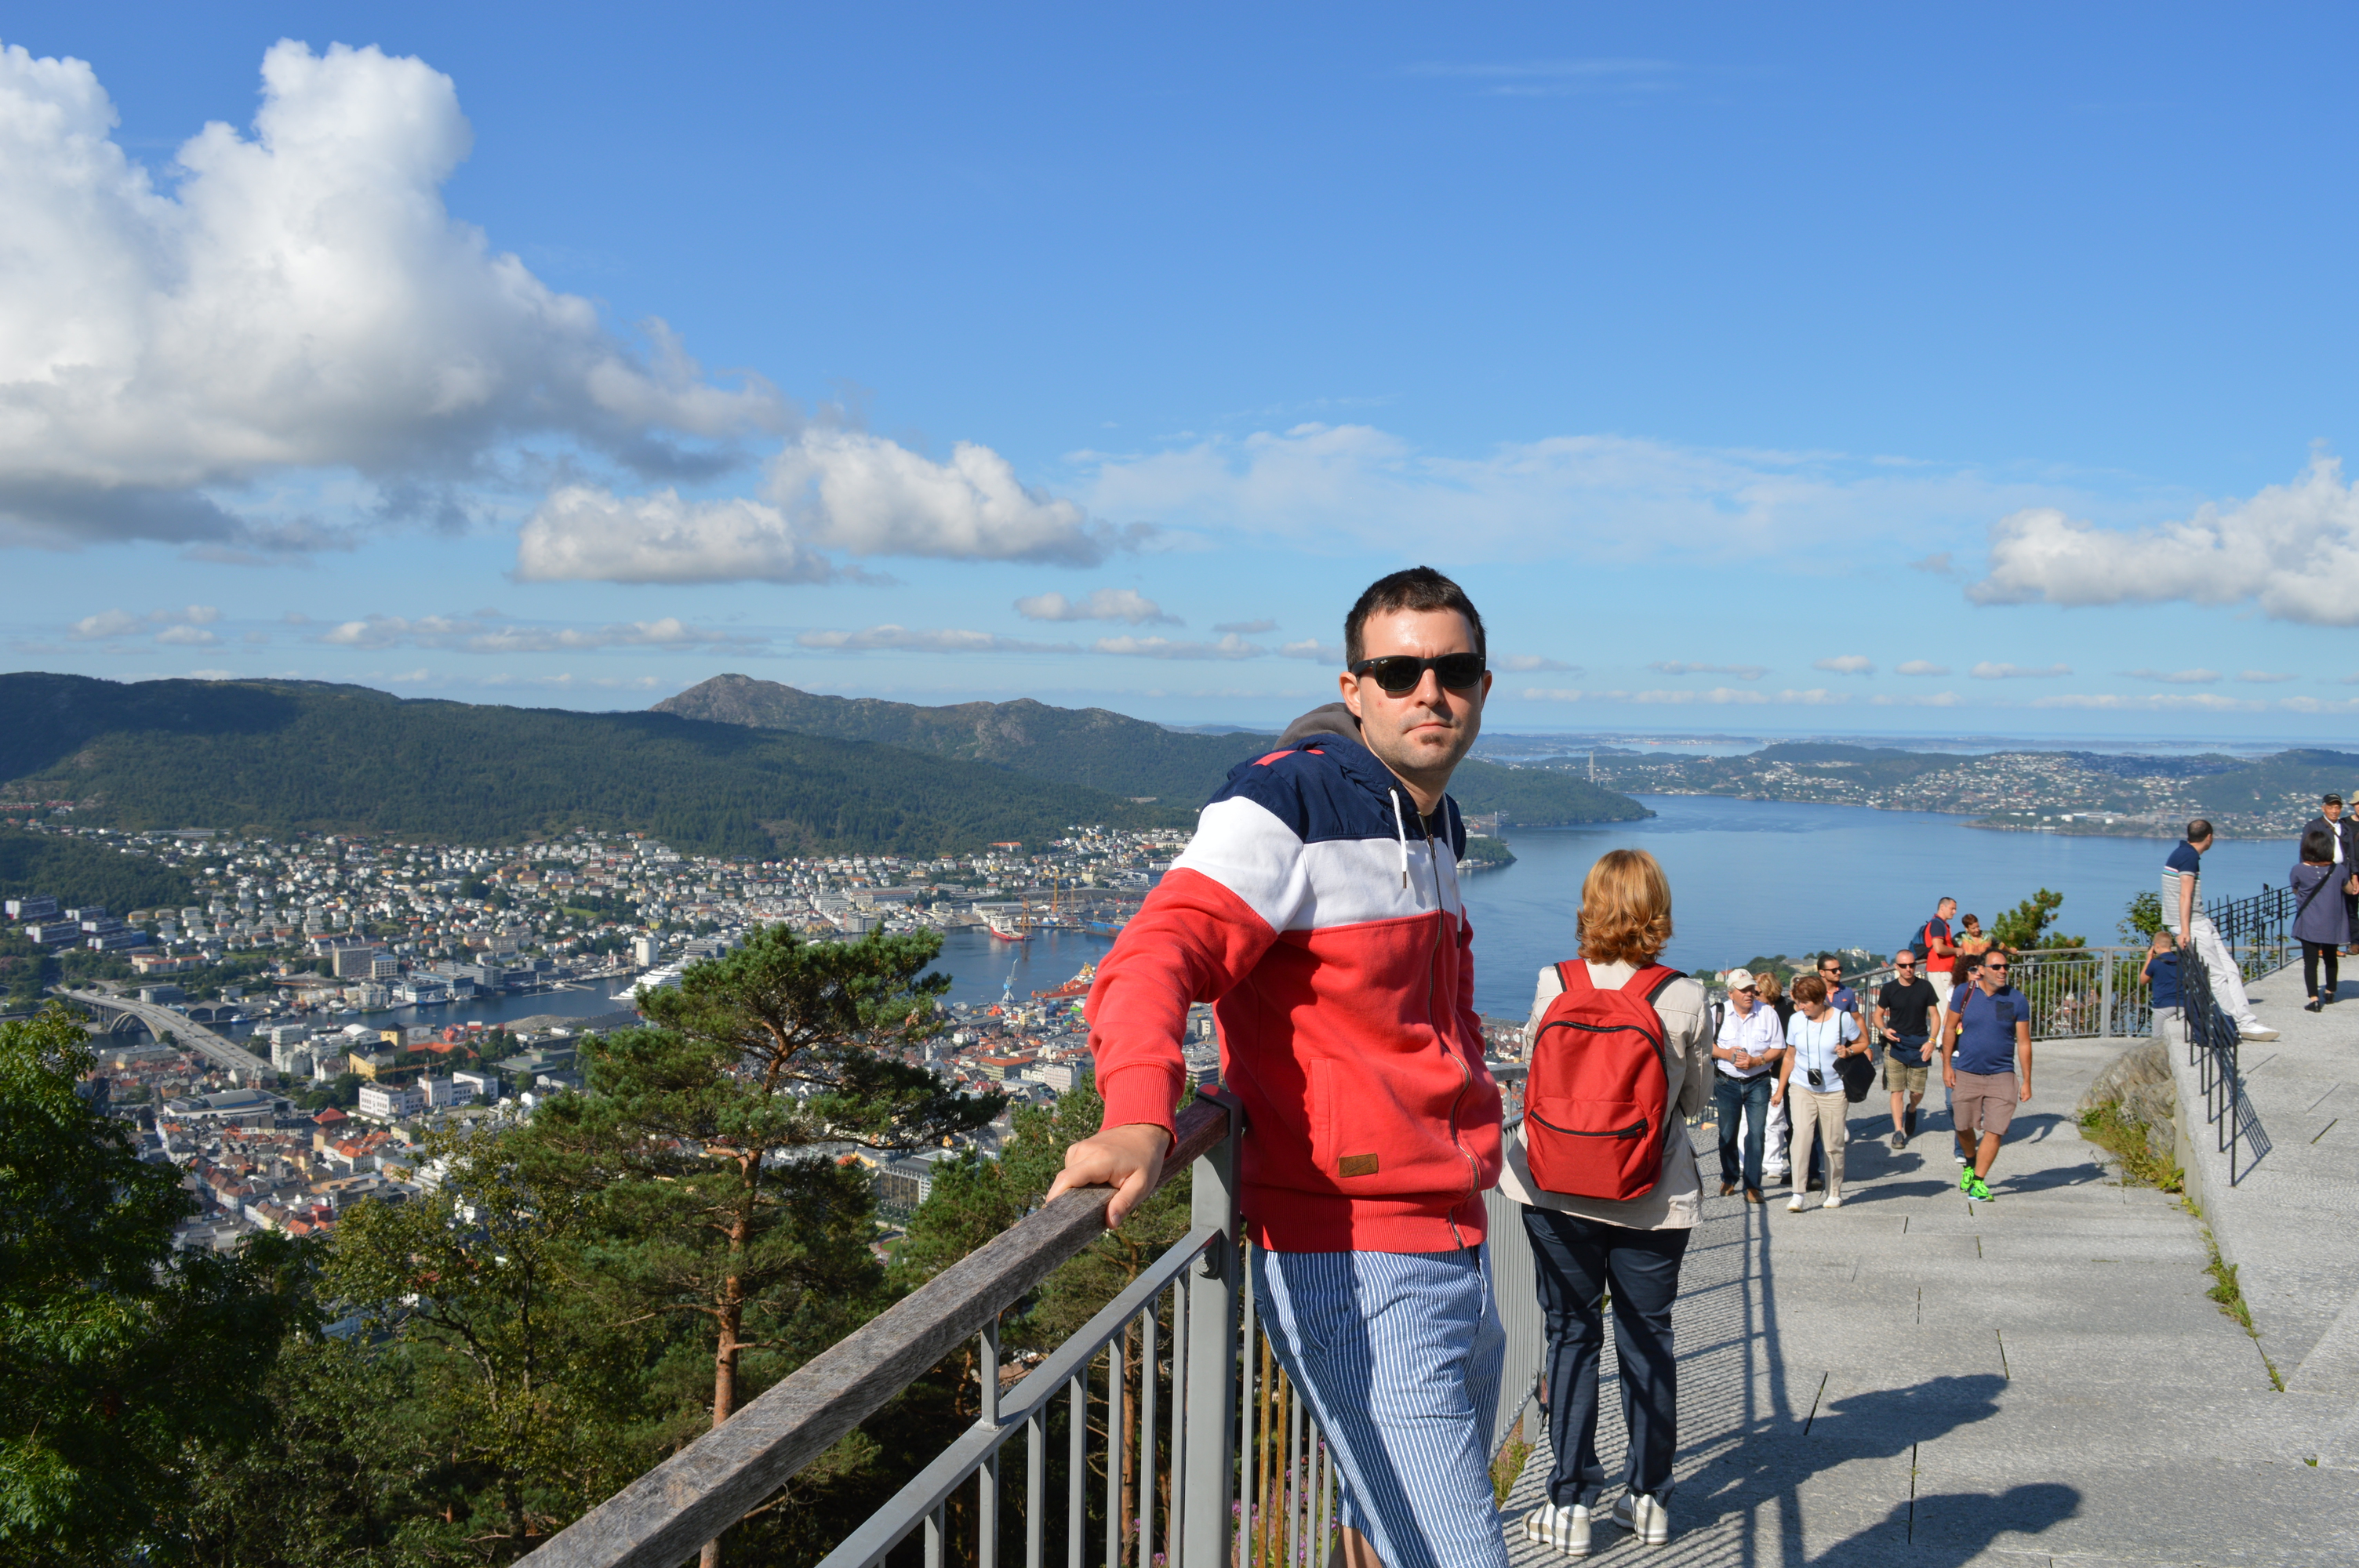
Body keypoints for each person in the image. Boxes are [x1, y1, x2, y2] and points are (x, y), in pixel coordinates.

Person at [1053, 566, 1508, 1568]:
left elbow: (1437, 1010)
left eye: (1452, 669)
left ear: (1482, 684)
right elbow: (1151, 954)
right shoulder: (1284, 799)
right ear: (1355, 688)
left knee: (1384, 1529)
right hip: (1352, 1254)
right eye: (1398, 671)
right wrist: (1139, 1112)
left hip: (1458, 1235)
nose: (1429, 691)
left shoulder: (1432, 813)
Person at [1505, 850, 1709, 1555]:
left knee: (1571, 1335)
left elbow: (1536, 1073)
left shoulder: (1553, 982)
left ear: (1590, 905)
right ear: (1659, 909)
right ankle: (1648, 1498)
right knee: (1647, 1338)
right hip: (1650, 1196)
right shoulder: (1685, 995)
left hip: (1552, 1186)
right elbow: (1694, 1100)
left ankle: (1569, 1502)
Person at [2165, 820, 2278, 1041]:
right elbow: (2185, 895)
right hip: (2193, 925)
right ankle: (2230, 1023)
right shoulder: (2188, 857)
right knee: (2217, 975)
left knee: (2230, 970)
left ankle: (2245, 1021)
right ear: (2210, 837)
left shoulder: (2182, 853)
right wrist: (2185, 930)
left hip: (2200, 922)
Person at [1941, 949, 2032, 1201]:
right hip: (1966, 1071)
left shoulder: (2016, 999)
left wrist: (2027, 1081)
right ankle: (1970, 1164)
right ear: (1982, 970)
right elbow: (1949, 1028)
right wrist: (1947, 1066)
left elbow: (2024, 1042)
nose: (2003, 971)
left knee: (1995, 1129)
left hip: (2002, 1075)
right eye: (1996, 967)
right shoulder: (1964, 993)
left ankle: (1979, 1182)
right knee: (1962, 1126)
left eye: (2006, 967)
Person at [1777, 974, 1868, 1210]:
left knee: (1833, 1144)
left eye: (1806, 1002)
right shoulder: (1796, 1020)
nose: (1801, 1007)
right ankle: (1798, 1193)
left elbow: (1862, 1042)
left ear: (1819, 1000)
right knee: (1801, 1138)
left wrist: (1848, 1051)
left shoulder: (1842, 1019)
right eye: (1799, 1002)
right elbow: (1789, 1056)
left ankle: (1834, 1191)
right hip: (1802, 1088)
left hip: (1834, 1090)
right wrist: (1780, 1090)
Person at [1711, 969, 1784, 1203]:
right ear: (1731, 993)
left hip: (1758, 1082)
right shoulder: (1717, 1012)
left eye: (1752, 989)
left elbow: (1779, 1048)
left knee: (1756, 1134)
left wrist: (1757, 1061)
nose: (1749, 994)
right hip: (1726, 1082)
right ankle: (1730, 1177)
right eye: (1743, 990)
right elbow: (1703, 1045)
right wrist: (1726, 1054)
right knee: (1727, 1133)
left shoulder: (1768, 1013)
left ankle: (1753, 1186)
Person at [1875, 950, 1940, 1149]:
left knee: (1917, 1091)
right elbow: (1877, 1015)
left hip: (1920, 1044)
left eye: (1911, 965)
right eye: (1903, 966)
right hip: (1896, 1045)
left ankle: (1912, 1109)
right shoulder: (1889, 989)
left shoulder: (1925, 987)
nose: (1908, 969)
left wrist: (1932, 1041)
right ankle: (1898, 1131)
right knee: (1897, 1090)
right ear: (1897, 967)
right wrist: (1884, 1030)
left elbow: (1935, 1016)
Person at [2299, 793, 2359, 960]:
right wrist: (2307, 874)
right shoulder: (2313, 826)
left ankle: (2337, 945)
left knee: (2343, 910)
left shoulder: (2344, 827)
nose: (2334, 811)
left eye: (2337, 807)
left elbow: (2350, 853)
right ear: (2323, 808)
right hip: (2321, 873)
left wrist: (2354, 875)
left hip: (2342, 872)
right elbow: (2304, 851)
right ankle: (2319, 946)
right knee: (2323, 911)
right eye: (2331, 807)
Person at [2292, 824, 2344, 1012]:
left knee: (2310, 961)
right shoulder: (2338, 870)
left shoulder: (2298, 869)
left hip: (2309, 921)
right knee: (2331, 957)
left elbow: (2296, 889)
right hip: (2331, 921)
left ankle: (2314, 999)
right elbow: (2347, 888)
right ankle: (2330, 992)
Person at [1753, 970, 1795, 1185]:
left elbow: (1787, 1047)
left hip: (1779, 1072)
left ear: (1768, 991)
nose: (1753, 995)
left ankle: (1773, 1162)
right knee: (1761, 1120)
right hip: (1760, 1071)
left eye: (1757, 992)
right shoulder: (1756, 1009)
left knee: (1776, 1120)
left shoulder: (1786, 1011)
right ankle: (1761, 1160)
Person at [2142, 928, 2180, 1040]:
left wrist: (2149, 959)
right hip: (2182, 1005)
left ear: (2157, 946)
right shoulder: (2182, 961)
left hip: (2162, 1006)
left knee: (2157, 1040)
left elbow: (2143, 980)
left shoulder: (2155, 963)